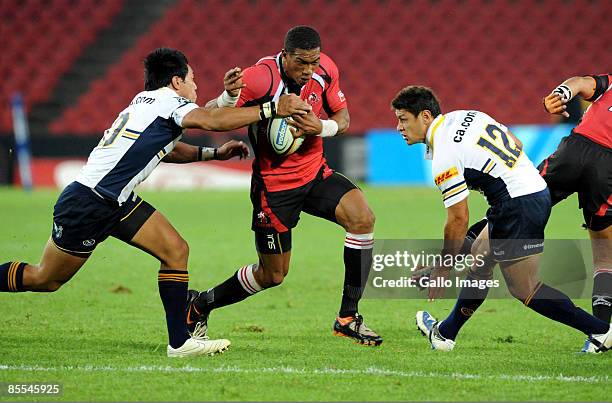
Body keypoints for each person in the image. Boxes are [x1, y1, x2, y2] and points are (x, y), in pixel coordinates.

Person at [0, 47, 311, 358]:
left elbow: (167, 150)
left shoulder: (144, 102)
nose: (196, 87)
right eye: (192, 80)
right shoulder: (169, 102)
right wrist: (272, 109)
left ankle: (180, 342)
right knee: (46, 279)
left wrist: (213, 154)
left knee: (176, 250)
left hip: (115, 200)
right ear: (176, 81)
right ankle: (180, 341)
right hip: (90, 202)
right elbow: (214, 120)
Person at [187, 26, 382, 346]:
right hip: (274, 189)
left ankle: (347, 318)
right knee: (272, 275)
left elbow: (343, 119)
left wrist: (323, 126)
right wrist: (228, 97)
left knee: (363, 218)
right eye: (302, 63)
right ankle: (199, 305)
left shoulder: (326, 69)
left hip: (315, 173)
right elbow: (208, 115)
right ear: (285, 55)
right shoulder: (259, 78)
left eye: (314, 62)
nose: (309, 70)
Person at [389, 85, 612, 353]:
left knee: (525, 288)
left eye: (403, 119)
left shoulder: (443, 155)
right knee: (481, 260)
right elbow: (515, 143)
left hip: (516, 206)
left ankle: (601, 331)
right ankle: (445, 335)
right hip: (534, 190)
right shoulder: (467, 115)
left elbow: (458, 220)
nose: (399, 127)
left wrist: (444, 268)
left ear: (425, 116)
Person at [538, 74, 612, 352]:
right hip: (608, 170)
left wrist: (559, 95)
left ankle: (458, 254)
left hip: (575, 149)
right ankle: (599, 337)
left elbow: (579, 82)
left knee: (519, 203)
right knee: (605, 256)